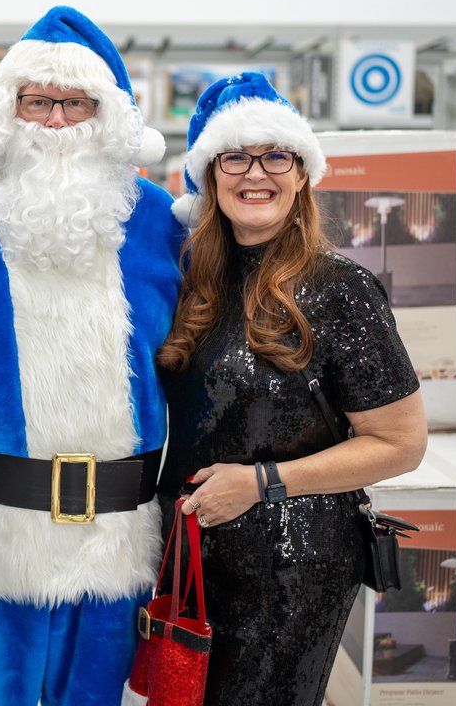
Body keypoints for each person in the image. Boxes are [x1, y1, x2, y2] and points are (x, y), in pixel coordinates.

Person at [0, 5, 185, 706]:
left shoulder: (158, 225)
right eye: (38, 101)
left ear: (106, 114)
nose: (54, 120)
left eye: (74, 102)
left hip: (114, 544)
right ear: (6, 110)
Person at [157, 71, 428, 706]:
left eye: (276, 155)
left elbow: (400, 443)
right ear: (211, 175)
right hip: (197, 560)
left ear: (302, 172)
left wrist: (261, 482)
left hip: (290, 569)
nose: (257, 173)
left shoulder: (341, 290)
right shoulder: (196, 285)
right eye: (236, 157)